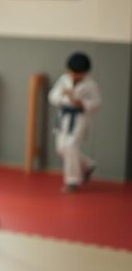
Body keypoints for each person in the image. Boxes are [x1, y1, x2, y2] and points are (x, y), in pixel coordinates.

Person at [48, 51, 101, 192]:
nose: (75, 76)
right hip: (64, 117)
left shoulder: (91, 85)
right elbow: (52, 96)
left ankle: (72, 182)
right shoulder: (63, 80)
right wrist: (64, 98)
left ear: (85, 73)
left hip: (79, 119)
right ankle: (87, 165)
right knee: (61, 149)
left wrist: (82, 103)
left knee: (70, 147)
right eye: (73, 72)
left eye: (79, 73)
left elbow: (96, 103)